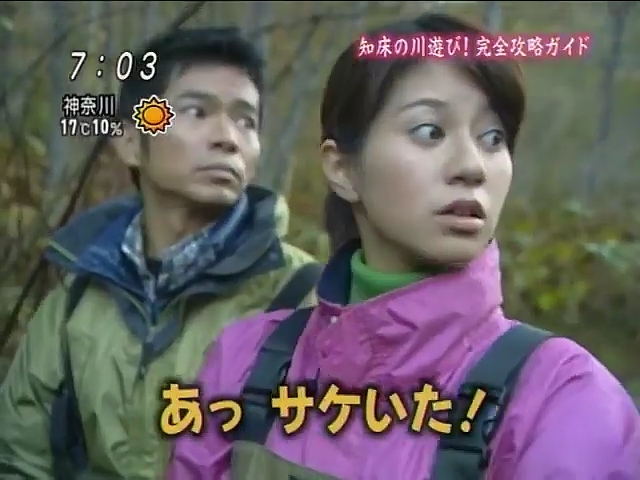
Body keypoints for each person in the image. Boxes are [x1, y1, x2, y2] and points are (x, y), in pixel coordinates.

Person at [167, 12, 640, 480]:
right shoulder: (245, 362)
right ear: (342, 169)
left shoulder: (561, 399)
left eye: (493, 138)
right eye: (430, 131)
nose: (472, 166)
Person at [0, 27, 320, 479]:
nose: (228, 138)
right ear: (132, 142)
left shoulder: (308, 301)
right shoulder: (76, 300)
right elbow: (19, 459)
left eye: (246, 121)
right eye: (196, 111)